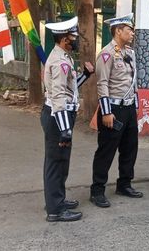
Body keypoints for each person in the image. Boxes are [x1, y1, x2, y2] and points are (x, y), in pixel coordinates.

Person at [41, 16, 94, 222]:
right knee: (55, 163)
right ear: (65, 39)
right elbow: (58, 97)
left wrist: (86, 75)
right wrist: (66, 130)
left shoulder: (63, 57)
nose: (76, 39)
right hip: (57, 118)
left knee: (61, 162)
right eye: (74, 36)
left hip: (59, 116)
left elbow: (69, 89)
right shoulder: (60, 61)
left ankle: (57, 199)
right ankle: (55, 210)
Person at [90, 13, 143, 208]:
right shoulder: (106, 54)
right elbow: (102, 84)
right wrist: (105, 112)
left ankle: (124, 184)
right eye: (129, 30)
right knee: (106, 150)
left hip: (128, 108)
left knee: (130, 148)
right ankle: (97, 190)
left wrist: (135, 106)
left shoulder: (130, 53)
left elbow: (133, 82)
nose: (132, 33)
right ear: (118, 31)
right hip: (112, 108)